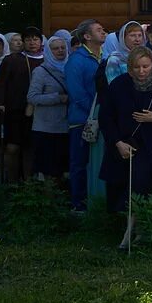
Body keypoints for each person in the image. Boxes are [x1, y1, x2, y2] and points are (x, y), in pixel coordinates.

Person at [100, 45, 152, 248]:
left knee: (141, 186)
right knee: (123, 188)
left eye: (145, 66)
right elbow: (106, 116)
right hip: (124, 146)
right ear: (130, 67)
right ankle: (133, 230)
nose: (141, 71)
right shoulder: (119, 85)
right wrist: (117, 142)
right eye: (136, 67)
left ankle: (131, 235)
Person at [0, 26, 45, 183]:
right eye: (28, 39)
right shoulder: (12, 60)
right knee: (12, 148)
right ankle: (12, 182)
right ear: (23, 42)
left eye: (35, 39)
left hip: (38, 111)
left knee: (30, 148)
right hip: (14, 110)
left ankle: (28, 185)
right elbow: (1, 83)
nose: (31, 43)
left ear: (41, 42)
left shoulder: (46, 60)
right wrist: (0, 102)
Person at [64, 19, 106, 212]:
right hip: (82, 120)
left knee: (98, 162)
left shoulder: (105, 56)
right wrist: (93, 112)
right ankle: (78, 205)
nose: (103, 32)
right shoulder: (76, 59)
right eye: (98, 30)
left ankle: (98, 203)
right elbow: (76, 92)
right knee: (80, 163)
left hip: (103, 118)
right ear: (87, 36)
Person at [27, 31, 72, 181]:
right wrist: (57, 98)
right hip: (45, 128)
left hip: (65, 125)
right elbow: (32, 97)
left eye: (62, 47)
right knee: (48, 170)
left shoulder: (70, 68)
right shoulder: (41, 71)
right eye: (55, 48)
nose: (60, 51)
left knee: (64, 171)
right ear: (48, 50)